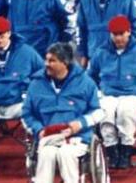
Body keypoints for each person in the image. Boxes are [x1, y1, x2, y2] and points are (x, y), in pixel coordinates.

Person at [87, 15, 136, 169]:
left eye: (121, 34)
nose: (118, 38)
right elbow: (89, 77)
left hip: (134, 94)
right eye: (114, 34)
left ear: (129, 32)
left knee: (126, 111)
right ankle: (112, 150)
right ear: (110, 34)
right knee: (106, 112)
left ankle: (126, 149)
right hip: (108, 94)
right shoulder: (100, 52)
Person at [22, 43, 105, 183]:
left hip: (78, 137)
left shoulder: (85, 83)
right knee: (47, 153)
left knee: (66, 153)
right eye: (46, 59)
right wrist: (38, 130)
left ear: (64, 63)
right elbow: (27, 114)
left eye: (52, 60)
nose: (46, 64)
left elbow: (99, 112)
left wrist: (80, 123)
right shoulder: (35, 84)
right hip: (48, 137)